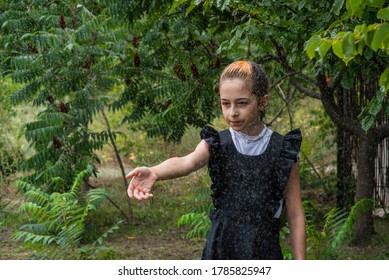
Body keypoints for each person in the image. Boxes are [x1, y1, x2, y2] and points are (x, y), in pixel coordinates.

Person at [126, 61, 306, 260]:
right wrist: (155, 171)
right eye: (225, 103)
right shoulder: (217, 143)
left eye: (242, 103)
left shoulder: (284, 150)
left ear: (262, 102)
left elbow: (295, 212)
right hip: (221, 251)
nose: (232, 112)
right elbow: (187, 162)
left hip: (263, 251)